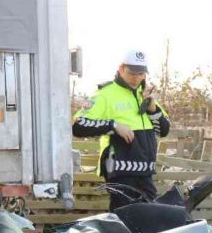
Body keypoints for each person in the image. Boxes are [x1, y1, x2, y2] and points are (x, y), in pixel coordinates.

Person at [72, 50, 171, 211]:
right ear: (121, 69)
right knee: (126, 216)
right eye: (132, 73)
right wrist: (114, 126)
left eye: (141, 74)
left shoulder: (144, 95)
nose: (136, 78)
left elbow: (164, 131)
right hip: (120, 170)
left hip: (145, 172)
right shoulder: (105, 94)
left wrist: (153, 110)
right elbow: (78, 126)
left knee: (148, 217)